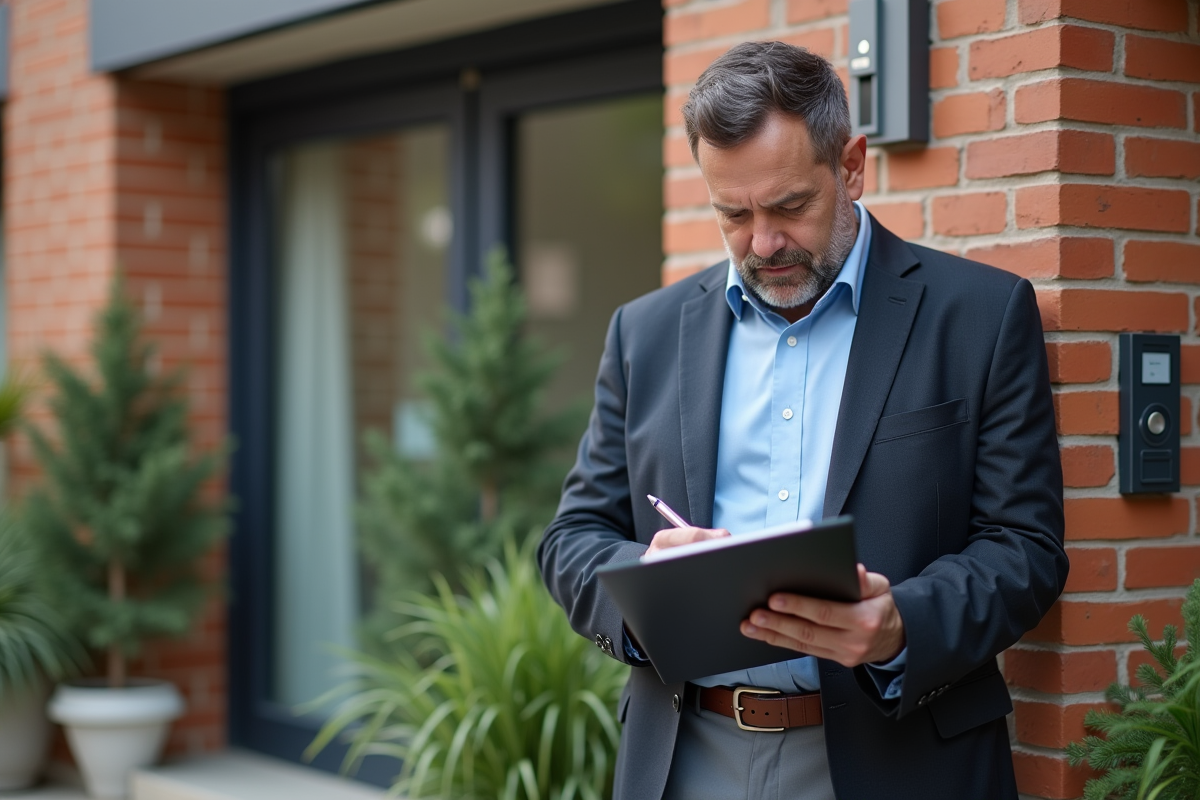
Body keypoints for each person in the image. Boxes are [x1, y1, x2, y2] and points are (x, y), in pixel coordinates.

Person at [537, 41, 1068, 800]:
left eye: (789, 207)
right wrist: (644, 583)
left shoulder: (980, 315)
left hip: (902, 760)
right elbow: (570, 538)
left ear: (850, 165)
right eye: (733, 214)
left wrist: (900, 626)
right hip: (685, 760)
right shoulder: (644, 333)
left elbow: (1026, 550)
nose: (763, 243)